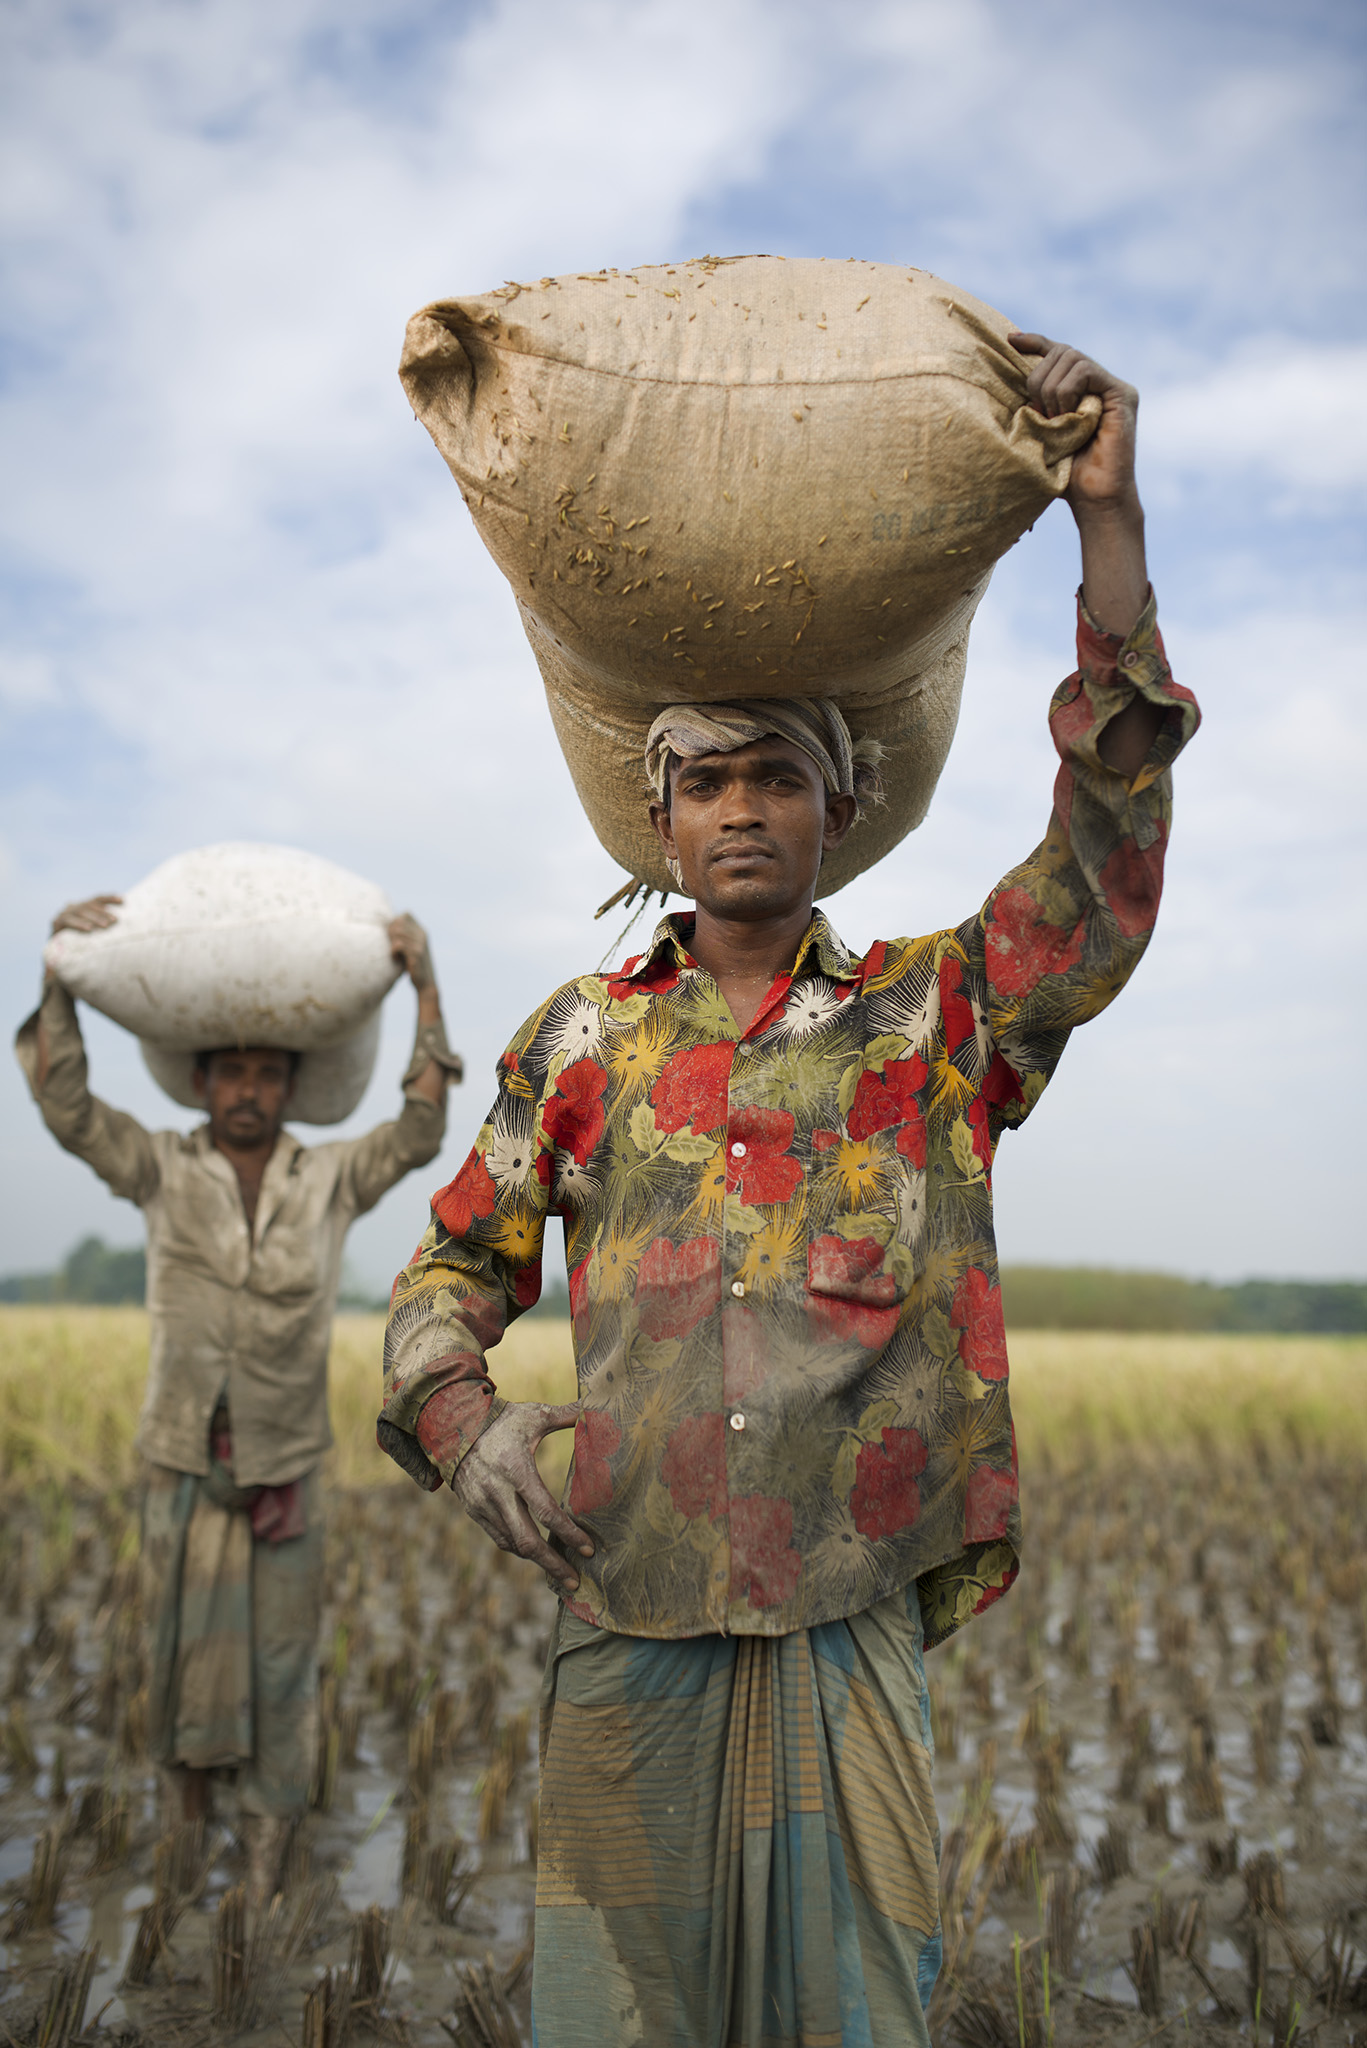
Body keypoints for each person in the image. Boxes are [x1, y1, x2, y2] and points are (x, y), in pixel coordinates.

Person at [377, 336, 1200, 2047]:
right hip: (633, 1605)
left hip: (848, 1611)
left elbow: (1106, 858)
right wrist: (459, 1421)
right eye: (704, 781)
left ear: (836, 803)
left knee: (855, 2014)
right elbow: (451, 1266)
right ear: (659, 821)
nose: (739, 808)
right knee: (620, 2017)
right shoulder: (582, 1037)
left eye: (773, 776)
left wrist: (1102, 532)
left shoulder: (934, 1016)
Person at [16, 905, 461, 1904]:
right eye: (232, 1071)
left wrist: (422, 982)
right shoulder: (159, 1168)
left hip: (285, 1463)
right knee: (176, 1654)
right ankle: (182, 1852)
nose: (250, 1089)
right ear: (202, 1082)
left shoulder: (331, 1174)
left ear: (291, 1087)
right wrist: (61, 972)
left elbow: (422, 1127)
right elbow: (65, 1103)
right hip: (180, 1455)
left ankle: (263, 1865)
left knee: (281, 1663)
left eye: (268, 1072)